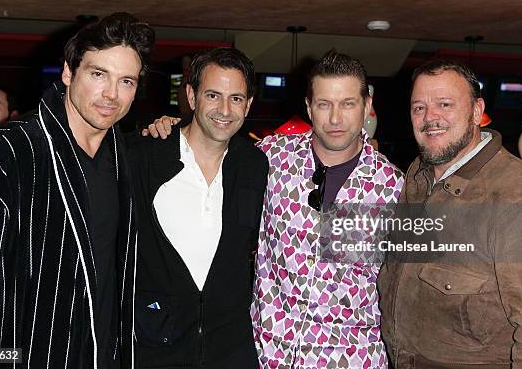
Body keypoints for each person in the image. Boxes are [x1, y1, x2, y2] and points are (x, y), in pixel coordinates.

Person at [146, 50, 405, 368]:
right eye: (324, 104)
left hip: (352, 358)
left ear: (366, 106)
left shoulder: (396, 188)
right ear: (309, 107)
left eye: (348, 104)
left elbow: (409, 286)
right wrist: (173, 129)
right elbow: (210, 142)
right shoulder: (269, 159)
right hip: (268, 356)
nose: (335, 119)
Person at [0, 12, 155, 368]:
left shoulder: (124, 157)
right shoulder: (4, 156)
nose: (112, 94)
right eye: (98, 74)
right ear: (68, 73)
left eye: (126, 81)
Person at [377, 60, 522, 368]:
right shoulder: (418, 175)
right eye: (419, 108)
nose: (430, 118)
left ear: (477, 111)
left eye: (445, 104)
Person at [127, 47, 268, 368]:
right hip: (155, 344)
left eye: (236, 98)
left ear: (248, 105)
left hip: (230, 347)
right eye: (213, 95)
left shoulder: (255, 164)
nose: (224, 109)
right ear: (191, 96)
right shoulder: (144, 156)